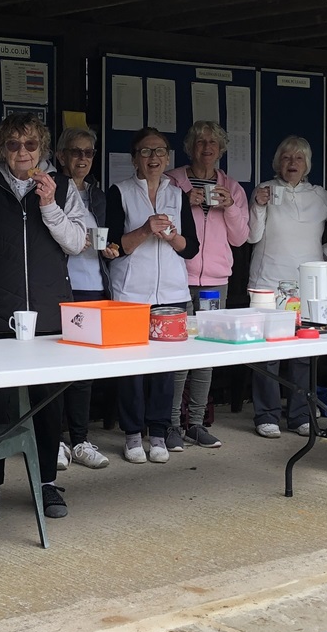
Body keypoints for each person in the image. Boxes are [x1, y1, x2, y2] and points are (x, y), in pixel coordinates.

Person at [0, 113, 89, 522]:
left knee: (46, 403)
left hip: (49, 313)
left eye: (30, 145)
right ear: (2, 148)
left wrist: (49, 204)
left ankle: (46, 482)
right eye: (14, 145)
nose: (22, 152)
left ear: (43, 150)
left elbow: (75, 243)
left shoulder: (64, 187)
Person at [106, 127, 200, 464]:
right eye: (146, 152)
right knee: (131, 368)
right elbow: (113, 247)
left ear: (168, 157)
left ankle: (158, 433)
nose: (153, 158)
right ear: (134, 159)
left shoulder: (178, 194)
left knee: (163, 368)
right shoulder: (119, 192)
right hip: (130, 292)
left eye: (159, 151)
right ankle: (132, 435)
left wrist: (172, 236)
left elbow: (191, 249)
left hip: (172, 291)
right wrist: (146, 229)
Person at [165, 121, 249, 449]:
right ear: (190, 147)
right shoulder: (174, 181)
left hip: (215, 281)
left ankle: (196, 422)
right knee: (176, 352)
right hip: (178, 279)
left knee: (206, 352)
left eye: (213, 142)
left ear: (222, 149)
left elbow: (240, 237)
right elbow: (162, 222)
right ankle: (172, 423)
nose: (207, 147)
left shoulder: (232, 187)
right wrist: (184, 202)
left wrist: (228, 207)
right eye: (200, 141)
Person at [248, 136, 327, 439]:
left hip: (306, 284)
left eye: (298, 158)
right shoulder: (265, 190)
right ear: (276, 162)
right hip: (267, 280)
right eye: (285, 158)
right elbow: (252, 236)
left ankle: (299, 415)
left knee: (303, 353)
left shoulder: (322, 197)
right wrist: (258, 204)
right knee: (267, 353)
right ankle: (266, 415)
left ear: (307, 165)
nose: (291, 163)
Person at [54, 125, 114, 472]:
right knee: (59, 368)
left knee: (85, 370)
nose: (82, 158)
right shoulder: (50, 190)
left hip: (93, 285)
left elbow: (103, 239)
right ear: (61, 156)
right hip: (63, 287)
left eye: (89, 152)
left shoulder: (98, 195)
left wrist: (109, 249)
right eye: (75, 151)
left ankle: (80, 439)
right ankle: (58, 439)